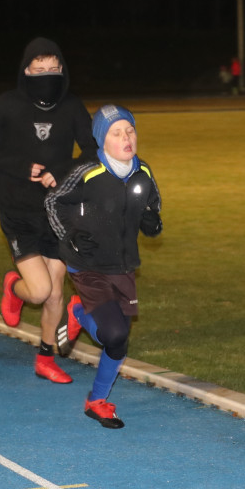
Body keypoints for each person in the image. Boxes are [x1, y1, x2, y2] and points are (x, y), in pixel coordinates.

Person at [0, 37, 97, 384]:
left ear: (62, 70)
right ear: (26, 71)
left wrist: (66, 171)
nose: (46, 74)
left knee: (55, 292)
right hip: (18, 211)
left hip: (57, 212)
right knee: (38, 291)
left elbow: (92, 149)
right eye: (39, 69)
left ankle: (45, 358)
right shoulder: (7, 104)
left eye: (53, 69)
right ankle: (14, 288)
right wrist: (20, 167)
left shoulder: (71, 106)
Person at [45, 105, 163, 429]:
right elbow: (53, 202)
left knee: (118, 342)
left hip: (123, 266)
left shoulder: (144, 173)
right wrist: (70, 237)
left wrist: (153, 224)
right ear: (101, 140)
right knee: (114, 332)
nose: (126, 138)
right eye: (117, 132)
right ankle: (80, 312)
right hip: (87, 265)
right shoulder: (86, 171)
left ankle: (96, 401)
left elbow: (154, 214)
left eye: (130, 130)